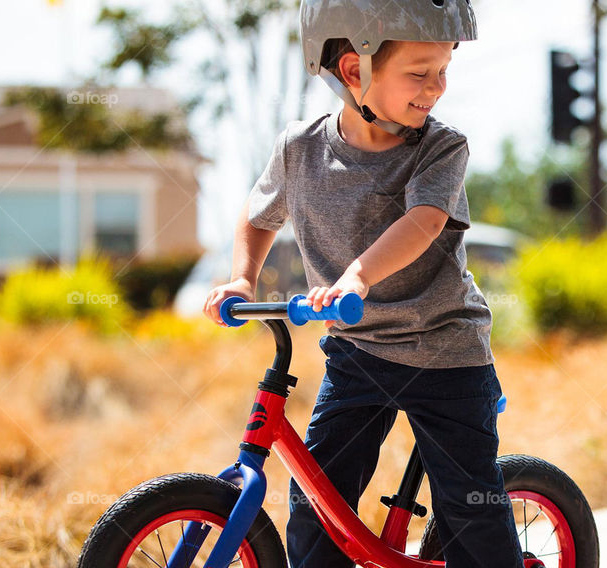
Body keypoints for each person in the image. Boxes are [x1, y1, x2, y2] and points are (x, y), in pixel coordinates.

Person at [203, 1, 525, 566]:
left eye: (444, 70)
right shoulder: (299, 149)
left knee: (469, 505)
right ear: (355, 71)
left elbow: (423, 221)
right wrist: (240, 280)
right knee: (318, 504)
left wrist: (356, 276)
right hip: (357, 352)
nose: (438, 88)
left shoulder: (441, 147)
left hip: (445, 353)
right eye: (420, 73)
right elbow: (259, 217)